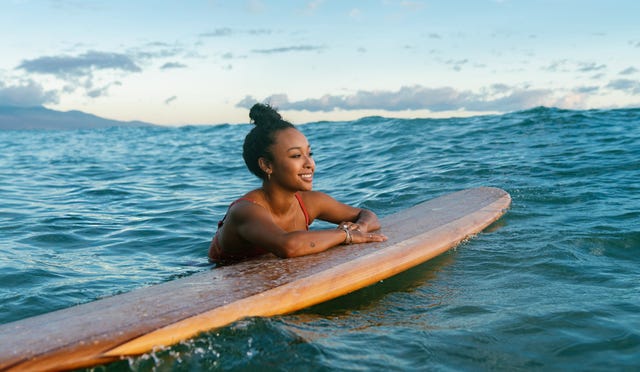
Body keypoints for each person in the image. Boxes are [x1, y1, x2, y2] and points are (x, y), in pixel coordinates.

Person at [209, 103, 387, 263]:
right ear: (267, 165)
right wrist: (346, 235)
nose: (310, 164)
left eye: (309, 154)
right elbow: (288, 247)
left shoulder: (309, 202)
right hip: (222, 279)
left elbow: (367, 215)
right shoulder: (245, 211)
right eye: (296, 156)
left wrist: (360, 228)